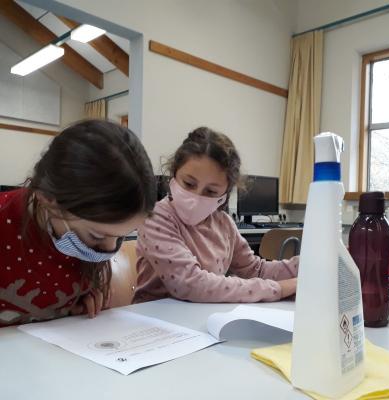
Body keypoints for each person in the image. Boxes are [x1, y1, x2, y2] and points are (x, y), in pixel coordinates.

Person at [0, 119, 156, 326]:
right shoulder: (6, 222)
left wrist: (82, 299)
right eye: (97, 236)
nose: (109, 250)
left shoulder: (84, 237)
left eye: (120, 238)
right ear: (48, 199)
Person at [133, 127, 298, 303]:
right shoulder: (156, 217)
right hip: (155, 321)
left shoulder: (224, 224)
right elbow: (190, 284)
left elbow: (255, 270)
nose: (196, 196)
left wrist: (306, 265)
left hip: (203, 319)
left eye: (211, 191)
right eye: (189, 184)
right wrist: (280, 288)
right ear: (173, 175)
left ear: (224, 195)